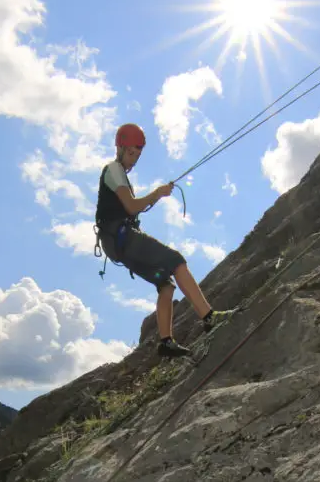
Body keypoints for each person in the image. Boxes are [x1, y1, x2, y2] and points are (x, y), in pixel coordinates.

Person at [95, 122, 236, 358]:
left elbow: (131, 207)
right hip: (122, 238)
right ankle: (209, 317)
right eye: (131, 152)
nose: (135, 157)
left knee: (166, 284)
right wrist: (157, 193)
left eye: (138, 153)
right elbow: (131, 206)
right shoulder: (113, 169)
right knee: (176, 260)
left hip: (117, 244)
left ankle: (166, 342)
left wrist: (157, 196)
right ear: (120, 148)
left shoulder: (118, 174)